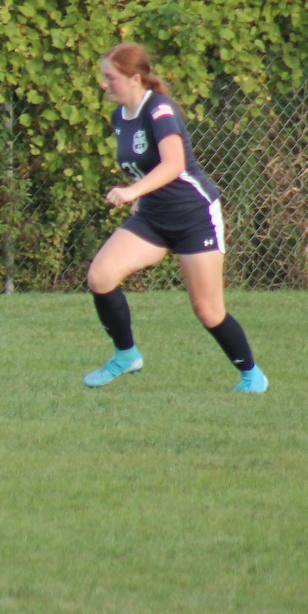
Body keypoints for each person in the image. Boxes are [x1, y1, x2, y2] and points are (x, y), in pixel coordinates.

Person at [84, 43, 268, 392]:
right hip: (153, 218)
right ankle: (126, 355)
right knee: (101, 276)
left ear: (134, 78)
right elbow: (145, 166)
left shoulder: (160, 109)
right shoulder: (119, 117)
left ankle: (251, 375)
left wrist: (132, 192)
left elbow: (173, 165)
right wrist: (141, 197)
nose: (104, 84)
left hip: (194, 217)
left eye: (110, 77)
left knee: (208, 311)